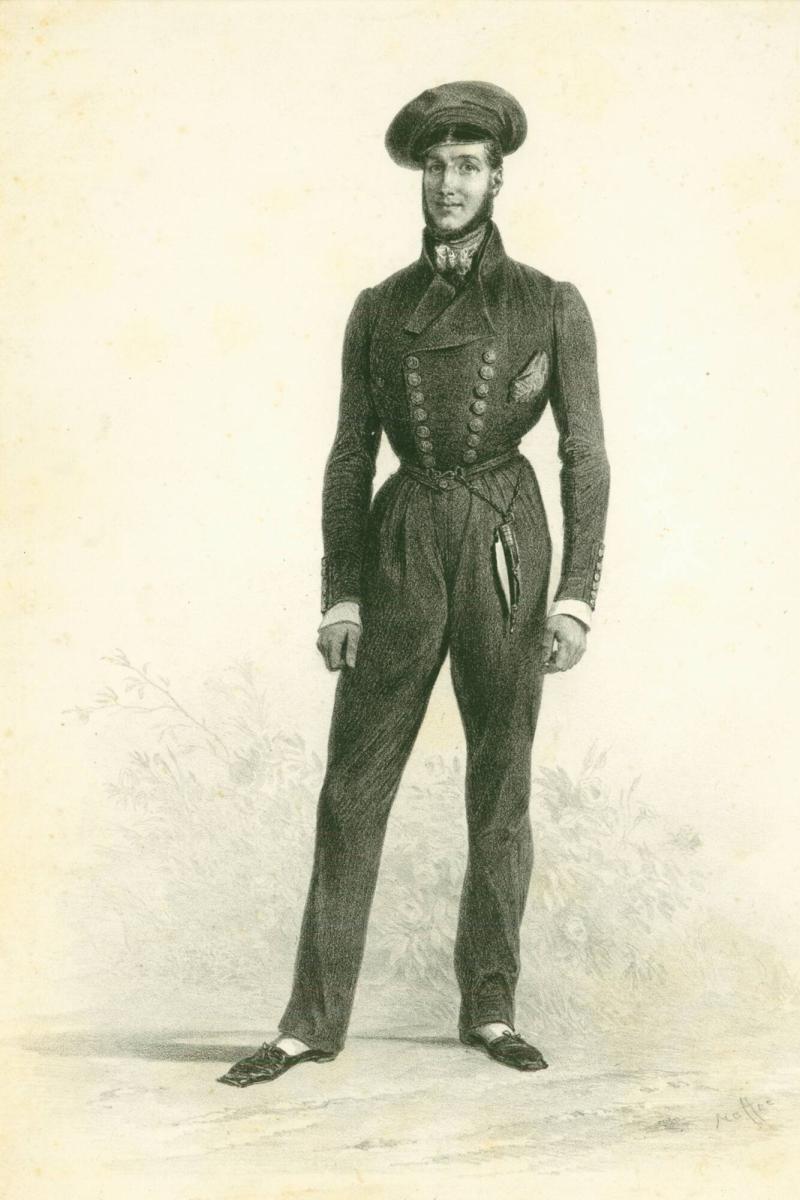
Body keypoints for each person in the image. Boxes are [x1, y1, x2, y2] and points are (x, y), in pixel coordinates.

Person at [218, 81, 610, 1087]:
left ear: (497, 178)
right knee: (352, 786)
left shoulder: (549, 302)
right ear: (418, 177)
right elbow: (351, 455)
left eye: (467, 165)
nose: (448, 184)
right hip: (401, 543)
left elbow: (584, 456)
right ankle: (308, 1024)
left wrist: (575, 595)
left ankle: (491, 1009)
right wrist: (340, 592)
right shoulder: (378, 308)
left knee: (501, 784)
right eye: (434, 166)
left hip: (503, 541)